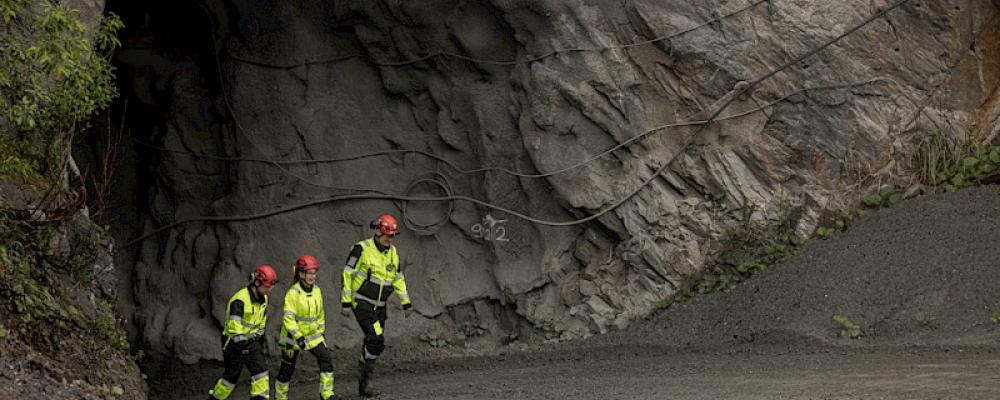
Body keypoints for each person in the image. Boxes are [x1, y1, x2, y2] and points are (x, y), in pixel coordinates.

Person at [341, 214, 412, 397]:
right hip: (362, 303)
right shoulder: (361, 249)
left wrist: (406, 302)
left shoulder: (393, 252)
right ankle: (365, 377)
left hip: (380, 306)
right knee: (377, 339)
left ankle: (364, 373)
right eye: (387, 235)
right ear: (378, 231)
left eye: (393, 235)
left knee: (374, 343)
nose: (390, 239)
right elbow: (347, 274)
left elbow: (398, 278)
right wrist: (346, 302)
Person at [207, 265, 278, 400]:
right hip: (233, 343)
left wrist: (257, 342)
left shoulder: (263, 299)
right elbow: (235, 329)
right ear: (257, 283)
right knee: (230, 378)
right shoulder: (240, 300)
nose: (270, 289)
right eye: (267, 286)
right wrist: (245, 346)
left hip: (251, 342)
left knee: (261, 373)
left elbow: (261, 323)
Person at [275, 255, 337, 400]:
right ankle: (280, 397)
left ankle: (326, 394)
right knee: (287, 370)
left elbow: (320, 313)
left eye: (314, 273)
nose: (312, 276)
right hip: (292, 338)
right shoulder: (293, 293)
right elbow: (288, 319)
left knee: (326, 359)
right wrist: (299, 337)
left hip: (312, 337)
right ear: (301, 274)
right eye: (309, 273)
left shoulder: (317, 291)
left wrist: (320, 332)